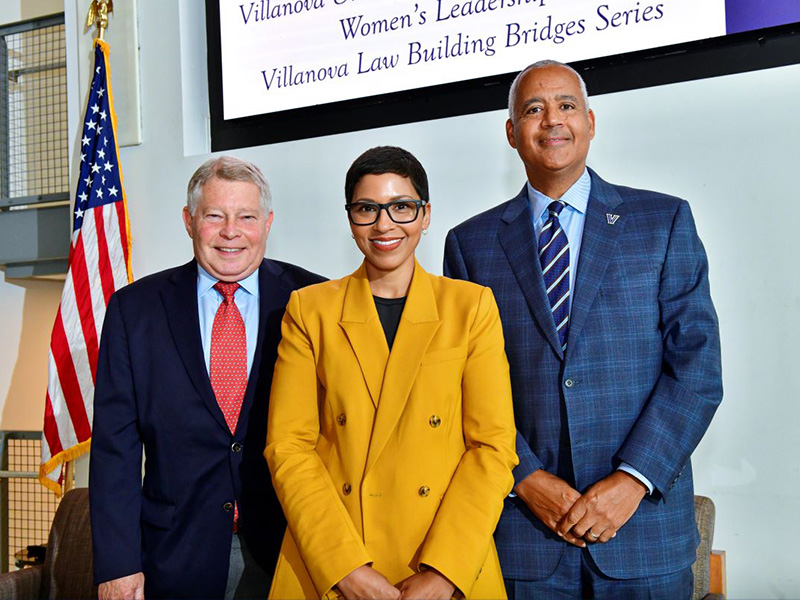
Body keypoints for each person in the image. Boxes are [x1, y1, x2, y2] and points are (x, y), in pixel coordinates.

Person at [444, 60, 723, 598]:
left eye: (566, 105)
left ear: (590, 123)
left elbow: (698, 367)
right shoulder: (470, 244)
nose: (552, 119)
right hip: (526, 537)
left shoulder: (662, 221)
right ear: (512, 133)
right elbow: (463, 384)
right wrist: (524, 478)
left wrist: (632, 480)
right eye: (534, 109)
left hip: (642, 533)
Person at [265, 146, 518, 600]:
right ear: (350, 218)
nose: (384, 225)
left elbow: (493, 448)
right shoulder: (310, 310)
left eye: (401, 207)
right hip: (334, 560)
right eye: (367, 209)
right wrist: (344, 568)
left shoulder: (470, 307)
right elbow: (289, 448)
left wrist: (444, 572)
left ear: (425, 215)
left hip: (444, 559)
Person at [89, 156, 325, 599]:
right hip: (175, 558)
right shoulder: (134, 310)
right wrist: (118, 567)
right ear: (189, 221)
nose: (231, 231)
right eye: (215, 215)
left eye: (246, 217)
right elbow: (114, 451)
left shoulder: (315, 300)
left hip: (293, 552)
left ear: (267, 223)